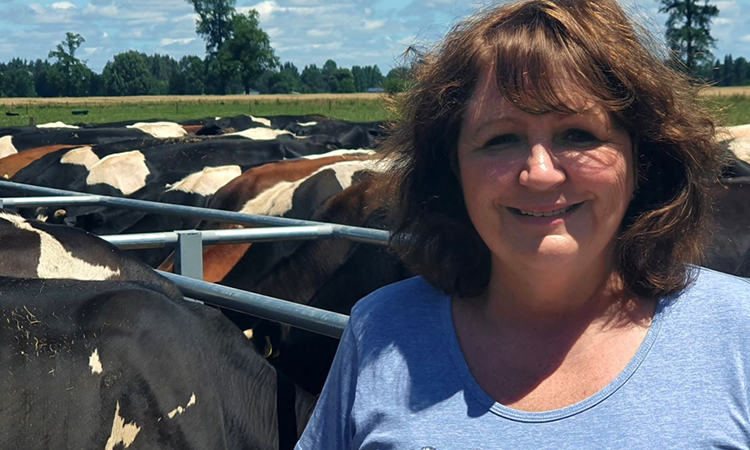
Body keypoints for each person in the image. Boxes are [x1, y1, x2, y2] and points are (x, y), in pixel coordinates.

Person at [296, 0, 750, 448]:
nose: (539, 173)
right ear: (453, 169)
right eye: (501, 139)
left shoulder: (738, 329)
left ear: (641, 159)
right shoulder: (380, 329)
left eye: (578, 134)